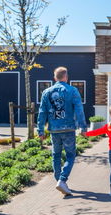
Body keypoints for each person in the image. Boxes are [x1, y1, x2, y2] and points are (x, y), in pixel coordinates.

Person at [37, 66, 87, 196]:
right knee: (70, 155)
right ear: (66, 77)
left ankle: (59, 180)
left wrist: (40, 130)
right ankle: (62, 180)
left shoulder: (46, 92)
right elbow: (79, 110)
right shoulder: (72, 90)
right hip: (68, 127)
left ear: (55, 78)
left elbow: (42, 112)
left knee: (56, 155)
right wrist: (83, 127)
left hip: (54, 129)